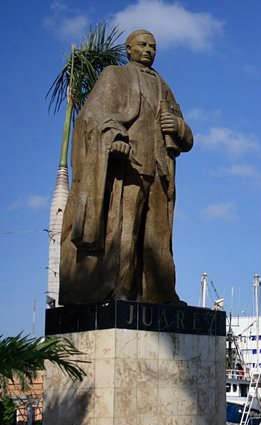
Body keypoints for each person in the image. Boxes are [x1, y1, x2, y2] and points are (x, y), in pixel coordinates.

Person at [59, 30, 193, 305]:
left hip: (160, 172)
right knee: (124, 233)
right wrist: (115, 137)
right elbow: (92, 117)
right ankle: (120, 291)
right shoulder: (115, 76)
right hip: (129, 167)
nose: (148, 50)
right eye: (142, 45)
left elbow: (188, 139)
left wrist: (178, 127)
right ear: (128, 48)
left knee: (159, 239)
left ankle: (160, 294)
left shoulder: (164, 86)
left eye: (153, 47)